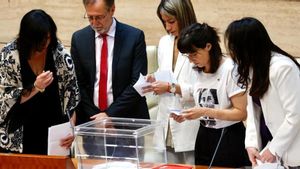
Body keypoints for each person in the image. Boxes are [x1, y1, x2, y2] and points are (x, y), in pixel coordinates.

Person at [0, 9, 80, 155]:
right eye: (41, 40)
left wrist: (71, 129)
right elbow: (5, 100)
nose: (46, 44)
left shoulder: (60, 55)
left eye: (49, 38)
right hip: (19, 135)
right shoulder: (9, 55)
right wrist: (36, 87)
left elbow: (72, 98)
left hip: (53, 135)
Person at [225, 17, 300, 168]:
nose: (231, 53)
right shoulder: (253, 66)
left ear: (247, 47)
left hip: (292, 150)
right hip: (269, 149)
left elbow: (296, 114)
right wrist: (252, 144)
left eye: (233, 48)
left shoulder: (283, 68)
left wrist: (274, 149)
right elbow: (253, 110)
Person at [173, 23, 251, 168]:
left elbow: (241, 113)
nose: (191, 59)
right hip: (204, 134)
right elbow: (203, 103)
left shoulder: (231, 69)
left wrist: (204, 111)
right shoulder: (198, 70)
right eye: (187, 55)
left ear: (208, 46)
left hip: (228, 135)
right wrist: (188, 114)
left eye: (194, 54)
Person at [71, 0, 149, 125]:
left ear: (112, 10)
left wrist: (109, 115)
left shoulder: (134, 37)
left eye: (99, 17)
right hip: (91, 122)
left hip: (127, 119)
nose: (95, 23)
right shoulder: (79, 39)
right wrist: (97, 119)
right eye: (90, 17)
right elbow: (78, 84)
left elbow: (137, 83)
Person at [142, 0, 199, 164]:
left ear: (184, 16)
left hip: (190, 122)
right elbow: (168, 74)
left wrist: (170, 87)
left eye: (171, 21)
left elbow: (204, 89)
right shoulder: (164, 42)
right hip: (165, 121)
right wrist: (154, 78)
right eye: (164, 22)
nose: (167, 27)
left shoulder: (199, 43)